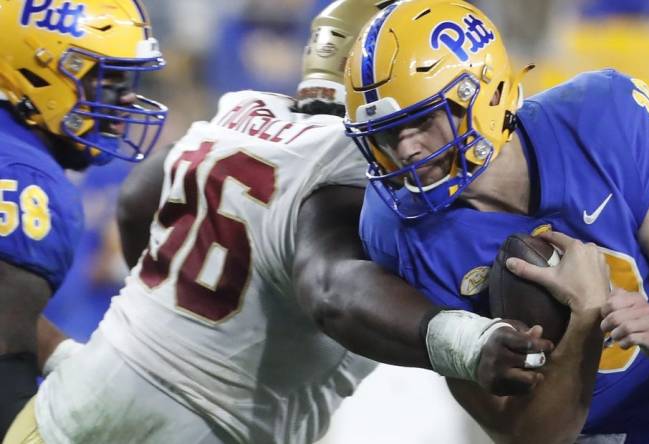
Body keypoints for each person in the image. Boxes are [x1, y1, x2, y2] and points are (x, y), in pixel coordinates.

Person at [4, 1, 551, 443]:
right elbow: (332, 291)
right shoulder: (353, 162)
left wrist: (159, 318)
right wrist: (464, 341)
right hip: (216, 426)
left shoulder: (240, 109)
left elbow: (135, 200)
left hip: (82, 399)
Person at [344, 0, 649, 442]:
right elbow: (524, 437)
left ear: (481, 94)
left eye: (422, 121)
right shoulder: (399, 229)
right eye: (388, 134)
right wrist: (586, 314)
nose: (406, 150)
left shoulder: (601, 121)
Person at [0, 0, 167, 436]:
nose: (127, 96)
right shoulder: (27, 179)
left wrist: (60, 354)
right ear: (38, 70)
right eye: (108, 76)